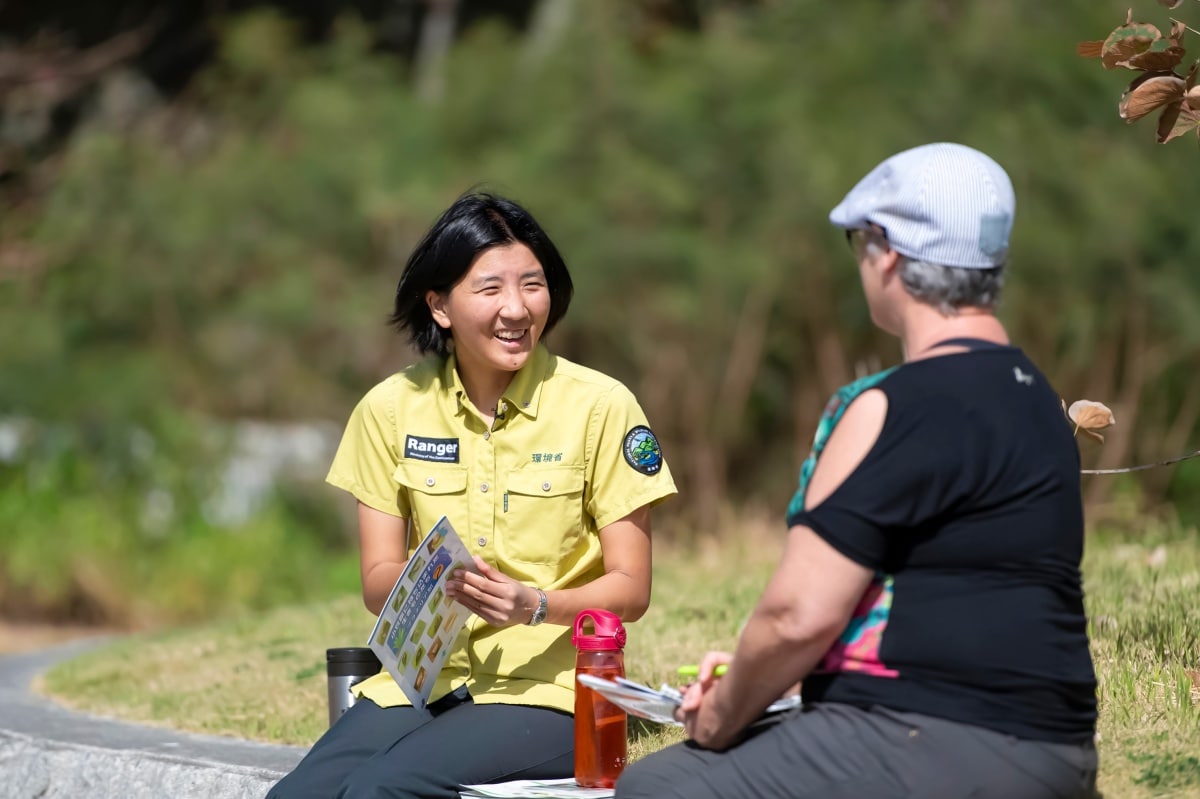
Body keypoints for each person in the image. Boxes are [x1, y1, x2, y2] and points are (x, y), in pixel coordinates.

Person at [615, 143, 1098, 799]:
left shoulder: (892, 404)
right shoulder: (1040, 398)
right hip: (1056, 748)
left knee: (658, 785)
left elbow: (796, 615)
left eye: (858, 241)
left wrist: (720, 716)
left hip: (933, 741)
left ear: (888, 252)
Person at [268, 191, 677, 799]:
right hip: (422, 683)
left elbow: (631, 589)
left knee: (382, 792)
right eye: (490, 289)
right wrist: (432, 582)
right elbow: (377, 577)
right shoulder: (389, 409)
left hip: (552, 693)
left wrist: (532, 605)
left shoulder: (601, 406)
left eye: (532, 285)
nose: (516, 309)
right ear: (439, 305)